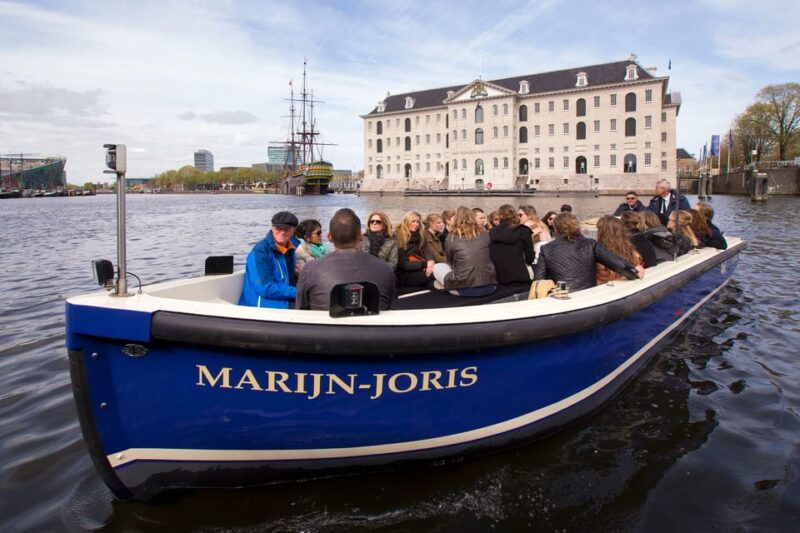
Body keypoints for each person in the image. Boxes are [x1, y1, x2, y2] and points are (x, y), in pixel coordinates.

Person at [296, 208, 395, 310]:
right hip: (371, 325)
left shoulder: (310, 269)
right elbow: (388, 306)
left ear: (329, 236)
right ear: (360, 236)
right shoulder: (386, 269)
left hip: (326, 325)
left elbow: (300, 311)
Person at [534, 213, 642, 292]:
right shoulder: (590, 244)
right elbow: (618, 264)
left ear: (556, 229)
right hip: (587, 294)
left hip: (562, 295)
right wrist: (634, 273)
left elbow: (538, 280)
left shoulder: (546, 249)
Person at [239, 211, 300, 308]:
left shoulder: (291, 249)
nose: (282, 232)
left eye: (287, 229)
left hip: (283, 300)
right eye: (278, 228)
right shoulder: (260, 252)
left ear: (294, 230)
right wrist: (300, 292)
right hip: (262, 305)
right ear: (272, 228)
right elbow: (265, 288)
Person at [433, 206, 497, 296]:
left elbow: (450, 262)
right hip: (490, 286)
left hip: (465, 290)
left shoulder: (451, 238)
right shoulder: (485, 234)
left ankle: (447, 286)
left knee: (438, 267)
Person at [489, 204, 535, 284]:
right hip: (520, 276)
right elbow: (530, 257)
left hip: (499, 277)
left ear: (500, 216)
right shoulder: (523, 231)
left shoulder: (492, 232)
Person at [595, 216, 643, 285]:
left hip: (605, 290)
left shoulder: (598, 255)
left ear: (601, 233)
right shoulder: (632, 252)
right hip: (628, 287)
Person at [396, 211, 435, 288]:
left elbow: (427, 251)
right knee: (436, 273)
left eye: (418, 222)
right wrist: (425, 264)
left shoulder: (420, 236)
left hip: (419, 268)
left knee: (436, 271)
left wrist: (430, 264)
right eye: (413, 221)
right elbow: (403, 264)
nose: (416, 224)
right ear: (406, 222)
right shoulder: (399, 238)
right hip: (404, 274)